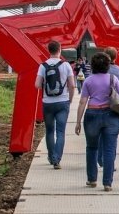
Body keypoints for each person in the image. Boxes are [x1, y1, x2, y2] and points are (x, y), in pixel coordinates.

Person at [74, 52, 119, 192]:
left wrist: (78, 122)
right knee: (109, 150)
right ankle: (107, 183)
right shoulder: (113, 79)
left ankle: (92, 179)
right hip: (111, 116)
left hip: (92, 115)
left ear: (93, 66)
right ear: (107, 65)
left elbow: (82, 102)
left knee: (91, 148)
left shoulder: (89, 80)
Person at [34, 40, 75, 169]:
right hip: (63, 102)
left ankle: (51, 157)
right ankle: (57, 159)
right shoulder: (66, 65)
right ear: (60, 49)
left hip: (48, 103)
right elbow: (72, 85)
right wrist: (70, 99)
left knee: (50, 131)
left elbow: (37, 85)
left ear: (48, 50)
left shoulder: (43, 66)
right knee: (61, 132)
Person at [97, 47, 119, 168]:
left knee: (100, 134)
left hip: (99, 107)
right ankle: (110, 162)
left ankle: (100, 158)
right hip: (115, 109)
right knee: (112, 138)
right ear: (116, 57)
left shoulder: (98, 70)